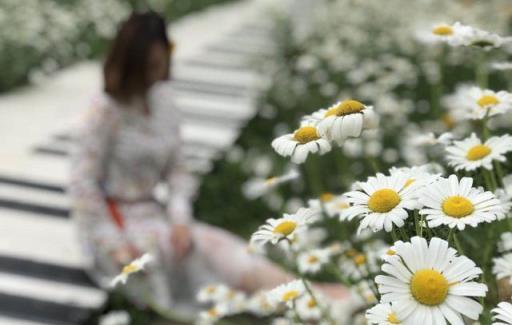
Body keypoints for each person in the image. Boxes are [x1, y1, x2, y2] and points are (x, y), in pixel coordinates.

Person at [69, 11, 346, 317]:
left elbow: (177, 171)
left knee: (215, 247)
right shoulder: (104, 111)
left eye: (161, 64)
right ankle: (306, 301)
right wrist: (113, 243)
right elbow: (83, 185)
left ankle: (308, 294)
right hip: (113, 228)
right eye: (148, 66)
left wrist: (179, 218)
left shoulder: (162, 100)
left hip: (155, 214)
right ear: (130, 63)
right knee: (192, 258)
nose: (156, 73)